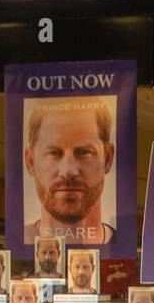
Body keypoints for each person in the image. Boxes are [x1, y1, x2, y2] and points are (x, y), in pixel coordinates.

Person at [23, 99, 116, 245]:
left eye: (84, 152)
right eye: (54, 153)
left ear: (108, 158)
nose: (68, 171)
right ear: (30, 161)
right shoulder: (18, 243)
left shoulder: (126, 246)